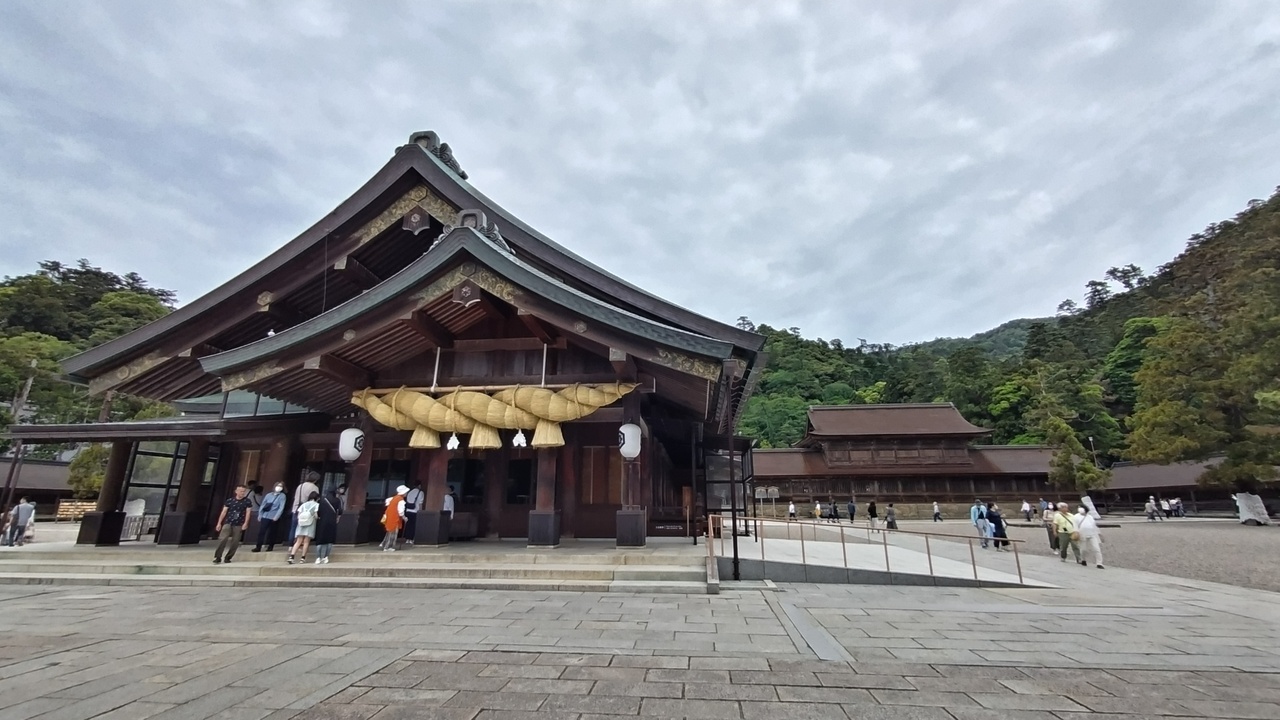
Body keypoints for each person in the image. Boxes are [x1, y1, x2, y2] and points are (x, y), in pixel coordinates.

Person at [213, 486, 253, 564]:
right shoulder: (230, 501)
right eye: (241, 491)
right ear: (236, 491)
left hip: (239, 523)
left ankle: (228, 557)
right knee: (223, 539)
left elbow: (248, 513)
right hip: (228, 522)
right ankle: (218, 556)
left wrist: (246, 523)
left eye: (244, 491)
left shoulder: (247, 501)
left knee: (235, 541)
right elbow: (224, 512)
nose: (242, 493)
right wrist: (219, 523)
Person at [252, 482, 288, 552]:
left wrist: (277, 516)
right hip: (265, 515)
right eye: (278, 485)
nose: (279, 487)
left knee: (272, 532)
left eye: (281, 486)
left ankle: (270, 546)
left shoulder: (282, 496)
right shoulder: (268, 495)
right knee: (261, 532)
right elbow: (263, 505)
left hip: (274, 516)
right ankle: (258, 546)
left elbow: (281, 507)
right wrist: (260, 515)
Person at [288, 491, 321, 564]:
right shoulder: (316, 505)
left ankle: (291, 557)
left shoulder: (303, 504)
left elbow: (298, 515)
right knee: (306, 542)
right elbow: (316, 515)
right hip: (310, 524)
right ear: (317, 498)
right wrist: (318, 518)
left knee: (298, 541)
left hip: (301, 524)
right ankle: (302, 558)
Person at [290, 470, 321, 542]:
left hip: (296, 508)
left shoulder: (300, 486)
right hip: (307, 510)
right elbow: (315, 499)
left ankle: (291, 544)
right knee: (304, 529)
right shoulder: (314, 487)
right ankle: (301, 543)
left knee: (294, 527)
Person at [313, 489, 343, 564]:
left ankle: (318, 557)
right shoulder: (337, 500)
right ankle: (326, 557)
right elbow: (340, 511)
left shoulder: (321, 500)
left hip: (322, 521)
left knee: (320, 540)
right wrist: (337, 518)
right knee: (329, 541)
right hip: (332, 521)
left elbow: (318, 512)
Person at [380, 484, 409, 551]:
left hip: (390, 517)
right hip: (395, 518)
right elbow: (400, 512)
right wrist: (404, 518)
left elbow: (387, 503)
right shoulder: (401, 500)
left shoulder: (394, 498)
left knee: (389, 532)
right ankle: (388, 547)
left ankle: (385, 545)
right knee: (393, 533)